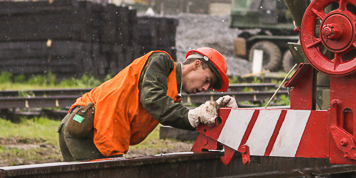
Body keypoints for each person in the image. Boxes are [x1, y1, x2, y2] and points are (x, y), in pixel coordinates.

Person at [58, 47, 236, 161]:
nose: (205, 88)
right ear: (196, 65)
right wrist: (193, 115)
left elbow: (167, 110)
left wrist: (214, 112)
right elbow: (153, 100)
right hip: (86, 127)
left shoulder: (171, 94)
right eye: (207, 80)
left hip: (91, 131)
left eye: (209, 86)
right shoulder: (161, 62)